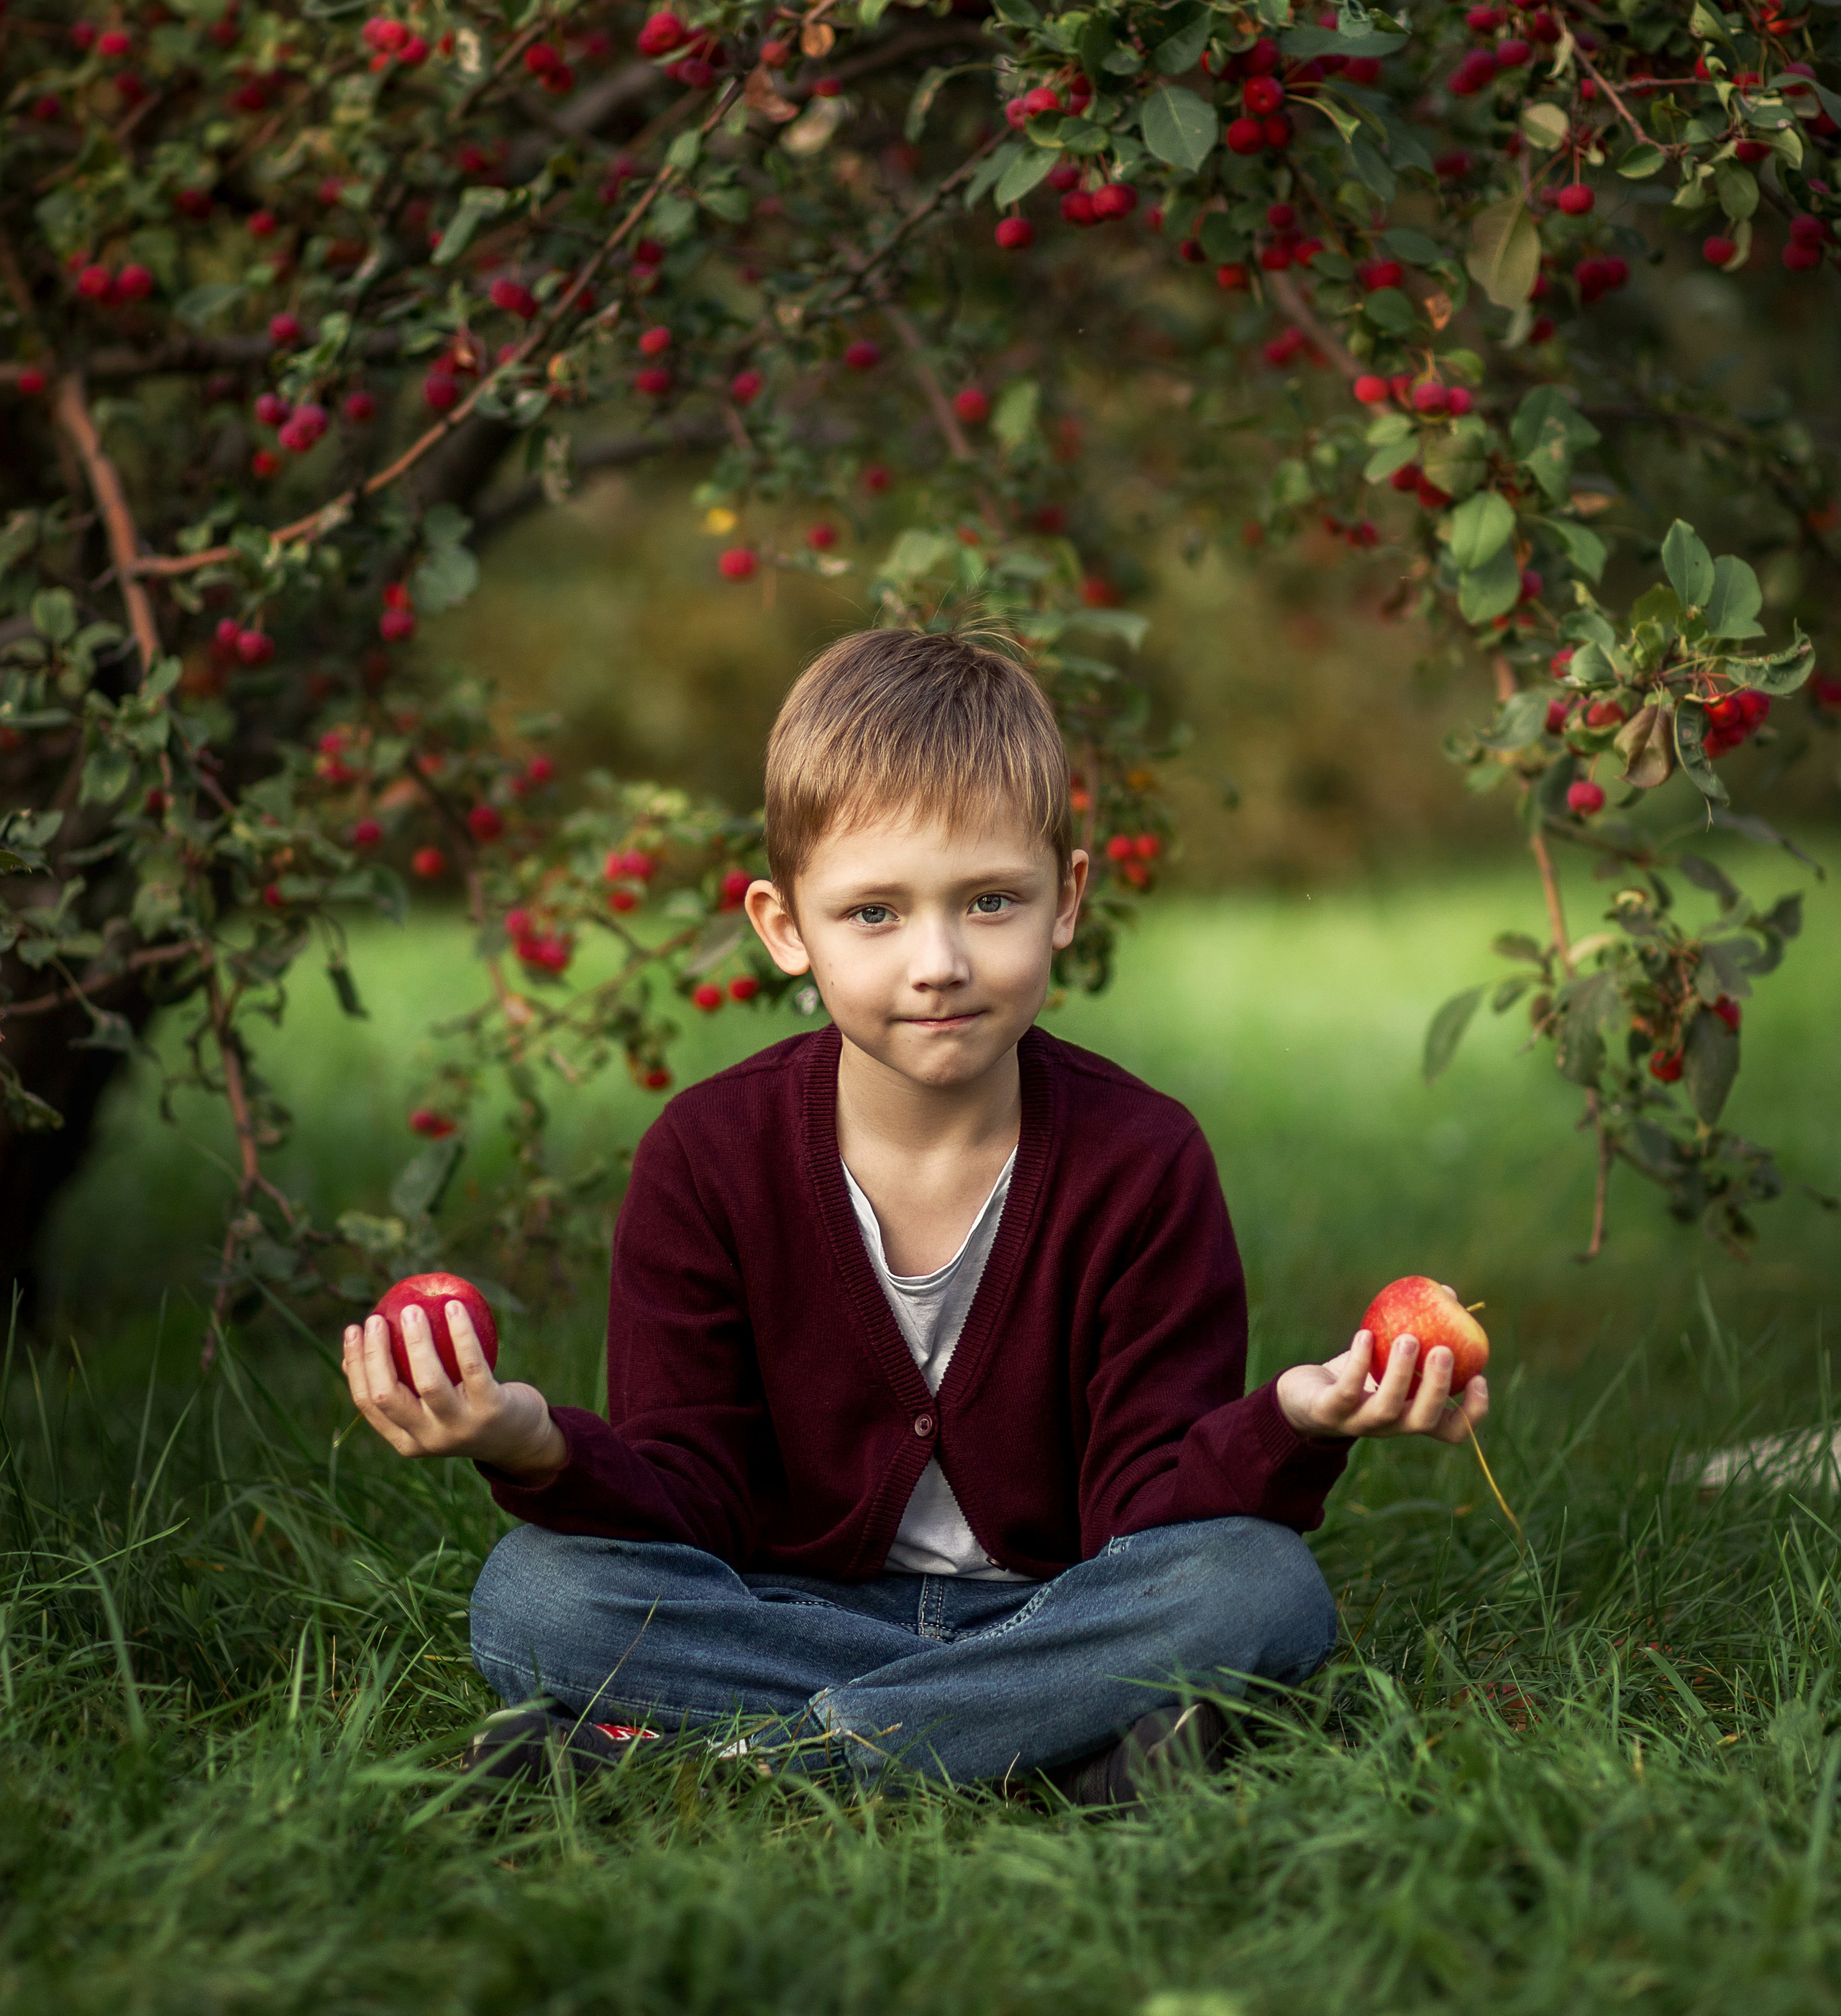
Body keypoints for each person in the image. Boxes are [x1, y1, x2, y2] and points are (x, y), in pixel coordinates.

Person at [342, 629, 1487, 1806]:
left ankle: (749, 1757)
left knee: (1260, 1587)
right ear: (786, 928)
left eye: (990, 900)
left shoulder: (1142, 1162)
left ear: (1067, 901)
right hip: (786, 1611)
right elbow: (694, 1499)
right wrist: (533, 1440)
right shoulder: (706, 1156)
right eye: (874, 914)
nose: (938, 961)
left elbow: (1147, 1511)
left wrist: (1296, 1422)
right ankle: (1052, 1742)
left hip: (1061, 1605)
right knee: (536, 1596)